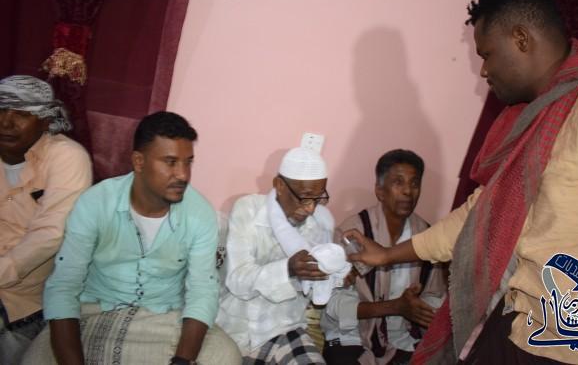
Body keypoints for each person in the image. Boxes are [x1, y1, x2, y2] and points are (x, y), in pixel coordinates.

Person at [346, 0, 578, 365]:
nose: (483, 71)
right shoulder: (533, 121)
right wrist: (386, 255)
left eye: (486, 54)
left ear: (521, 39)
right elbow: (480, 215)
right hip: (523, 325)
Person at [22, 111, 241, 365]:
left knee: (225, 356)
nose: (183, 174)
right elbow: (64, 285)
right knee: (36, 360)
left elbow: (202, 290)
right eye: (170, 162)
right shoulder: (96, 202)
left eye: (188, 162)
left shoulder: (199, 213)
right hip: (92, 311)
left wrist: (182, 361)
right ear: (138, 161)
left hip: (163, 317)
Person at [216, 147, 349, 364]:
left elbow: (315, 294)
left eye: (318, 199)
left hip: (284, 327)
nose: (310, 209)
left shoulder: (321, 224)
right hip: (236, 327)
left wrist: (336, 277)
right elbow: (237, 280)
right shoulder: (249, 209)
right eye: (304, 198)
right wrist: (288, 269)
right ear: (279, 185)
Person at [322, 149, 447, 365]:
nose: (408, 191)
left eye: (415, 183)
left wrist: (424, 309)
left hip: (402, 336)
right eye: (398, 182)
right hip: (351, 334)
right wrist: (395, 307)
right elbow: (334, 305)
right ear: (379, 191)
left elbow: (433, 295)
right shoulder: (353, 234)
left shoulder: (426, 237)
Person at [0, 75, 92, 364]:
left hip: (26, 302)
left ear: (45, 120)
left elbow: (50, 233)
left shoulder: (67, 157)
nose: (6, 122)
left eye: (21, 114)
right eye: (1, 110)